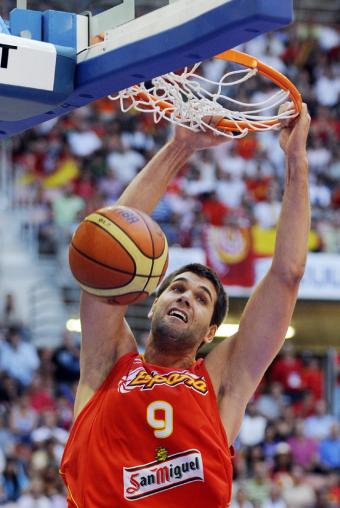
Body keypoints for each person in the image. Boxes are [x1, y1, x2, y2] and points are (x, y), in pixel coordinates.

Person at [60, 103, 311, 507]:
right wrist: (180, 148)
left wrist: (296, 160)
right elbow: (114, 235)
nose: (185, 297)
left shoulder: (222, 382)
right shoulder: (107, 362)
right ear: (155, 303)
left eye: (200, 298)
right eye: (177, 288)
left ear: (211, 332)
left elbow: (287, 275)